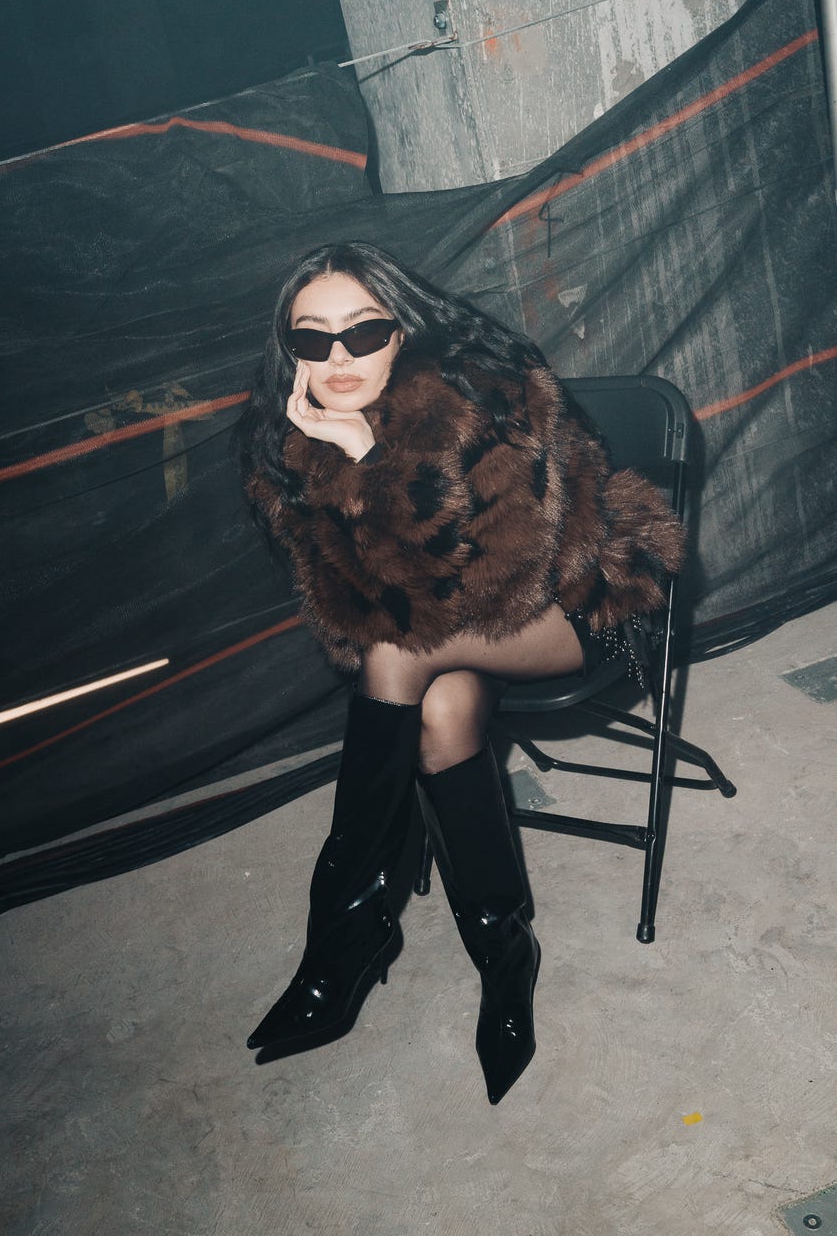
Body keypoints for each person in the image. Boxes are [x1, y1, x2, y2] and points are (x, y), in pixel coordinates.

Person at [237, 241, 683, 1104]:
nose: (337, 359)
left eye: (362, 333)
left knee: (400, 657)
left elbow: (489, 592)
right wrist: (341, 457)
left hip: (584, 602)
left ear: (402, 331)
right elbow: (356, 612)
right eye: (312, 339)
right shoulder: (290, 442)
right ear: (287, 348)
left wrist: (373, 465)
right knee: (438, 712)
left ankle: (344, 941)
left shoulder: (487, 400)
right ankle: (504, 953)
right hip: (446, 637)